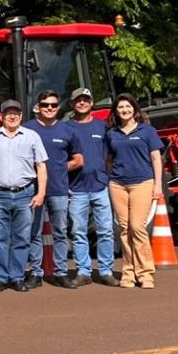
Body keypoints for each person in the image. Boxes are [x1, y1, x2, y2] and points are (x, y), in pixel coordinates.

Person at [0, 99, 48, 293]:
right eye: (8, 113)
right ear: (1, 116)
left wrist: (41, 192)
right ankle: (0, 278)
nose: (12, 116)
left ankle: (18, 276)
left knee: (22, 238)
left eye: (16, 113)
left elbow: (41, 166)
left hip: (25, 194)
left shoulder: (32, 137)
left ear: (21, 116)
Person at [24, 90, 83, 289]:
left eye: (53, 105)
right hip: (33, 190)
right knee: (34, 232)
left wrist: (60, 168)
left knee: (60, 232)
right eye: (45, 105)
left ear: (58, 107)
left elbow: (78, 159)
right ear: (37, 107)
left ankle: (61, 272)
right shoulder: (28, 129)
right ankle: (35, 273)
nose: (49, 108)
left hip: (58, 189)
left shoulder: (67, 131)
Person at [106, 93, 164, 289]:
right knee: (124, 228)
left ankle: (145, 273)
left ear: (134, 109)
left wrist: (158, 185)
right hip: (117, 184)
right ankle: (128, 272)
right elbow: (108, 160)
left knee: (137, 227)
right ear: (116, 111)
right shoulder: (112, 133)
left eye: (128, 107)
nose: (124, 110)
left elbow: (156, 159)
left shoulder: (147, 131)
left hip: (143, 182)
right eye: (121, 107)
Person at [66, 87, 119, 287]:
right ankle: (83, 271)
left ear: (91, 102)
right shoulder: (67, 128)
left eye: (85, 100)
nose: (82, 103)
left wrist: (108, 177)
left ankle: (106, 270)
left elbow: (111, 155)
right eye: (78, 100)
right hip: (77, 189)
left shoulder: (102, 127)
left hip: (100, 187)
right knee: (79, 232)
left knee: (106, 231)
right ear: (72, 104)